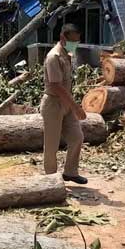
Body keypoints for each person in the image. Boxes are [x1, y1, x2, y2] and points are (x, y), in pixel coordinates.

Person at [40, 24, 87, 185]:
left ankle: (70, 172)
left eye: (77, 41)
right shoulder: (53, 57)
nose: (75, 44)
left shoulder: (68, 54)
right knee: (51, 144)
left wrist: (71, 105)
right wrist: (76, 107)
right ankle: (51, 179)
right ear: (63, 38)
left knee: (77, 137)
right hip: (53, 103)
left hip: (66, 102)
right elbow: (56, 86)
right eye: (73, 41)